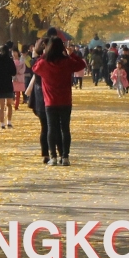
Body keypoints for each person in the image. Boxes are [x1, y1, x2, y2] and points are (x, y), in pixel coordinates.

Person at [32, 36, 88, 165]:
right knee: (65, 129)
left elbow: (34, 67)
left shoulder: (44, 63)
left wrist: (43, 55)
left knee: (51, 128)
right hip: (65, 100)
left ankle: (53, 156)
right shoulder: (67, 62)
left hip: (50, 101)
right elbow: (82, 64)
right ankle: (65, 156)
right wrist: (72, 54)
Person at [0, 44, 17, 129]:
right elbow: (14, 72)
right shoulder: (10, 61)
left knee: (0, 106)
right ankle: (9, 122)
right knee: (9, 105)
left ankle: (2, 123)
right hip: (8, 85)